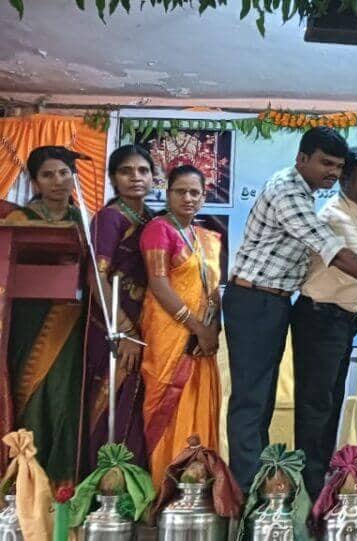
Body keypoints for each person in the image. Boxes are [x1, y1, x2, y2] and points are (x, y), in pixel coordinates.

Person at [224, 127, 357, 491]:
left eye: (338, 166)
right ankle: (248, 494)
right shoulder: (290, 192)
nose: (332, 173)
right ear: (301, 158)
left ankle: (282, 490)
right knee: (254, 400)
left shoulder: (326, 201)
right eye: (326, 164)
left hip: (278, 302)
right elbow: (338, 254)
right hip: (256, 299)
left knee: (279, 401)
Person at [291, 147, 357, 496]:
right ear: (344, 179)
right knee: (316, 406)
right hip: (320, 317)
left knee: (329, 405)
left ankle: (320, 486)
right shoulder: (335, 215)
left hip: (341, 321)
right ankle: (309, 491)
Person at [5, 145, 88, 483]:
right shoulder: (18, 221)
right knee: (31, 394)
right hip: (28, 322)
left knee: (64, 396)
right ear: (35, 182)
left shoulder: (84, 221)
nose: (58, 181)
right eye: (48, 175)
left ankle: (62, 482)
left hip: (72, 322)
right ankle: (24, 480)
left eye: (64, 173)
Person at [139, 165, 223, 488]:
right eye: (180, 191)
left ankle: (200, 484)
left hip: (203, 338)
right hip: (169, 334)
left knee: (200, 403)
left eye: (194, 192)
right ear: (167, 193)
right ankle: (165, 485)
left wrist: (212, 329)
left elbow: (214, 290)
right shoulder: (158, 230)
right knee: (168, 406)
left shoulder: (206, 238)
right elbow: (159, 285)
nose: (188, 198)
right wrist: (196, 327)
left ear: (203, 197)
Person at [83, 144, 155, 471]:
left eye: (143, 171)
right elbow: (96, 276)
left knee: (138, 406)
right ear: (113, 178)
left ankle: (134, 480)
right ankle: (103, 481)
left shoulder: (152, 219)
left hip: (146, 327)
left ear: (153, 178)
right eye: (126, 171)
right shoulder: (110, 217)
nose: (135, 177)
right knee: (110, 404)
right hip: (111, 328)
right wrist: (124, 329)